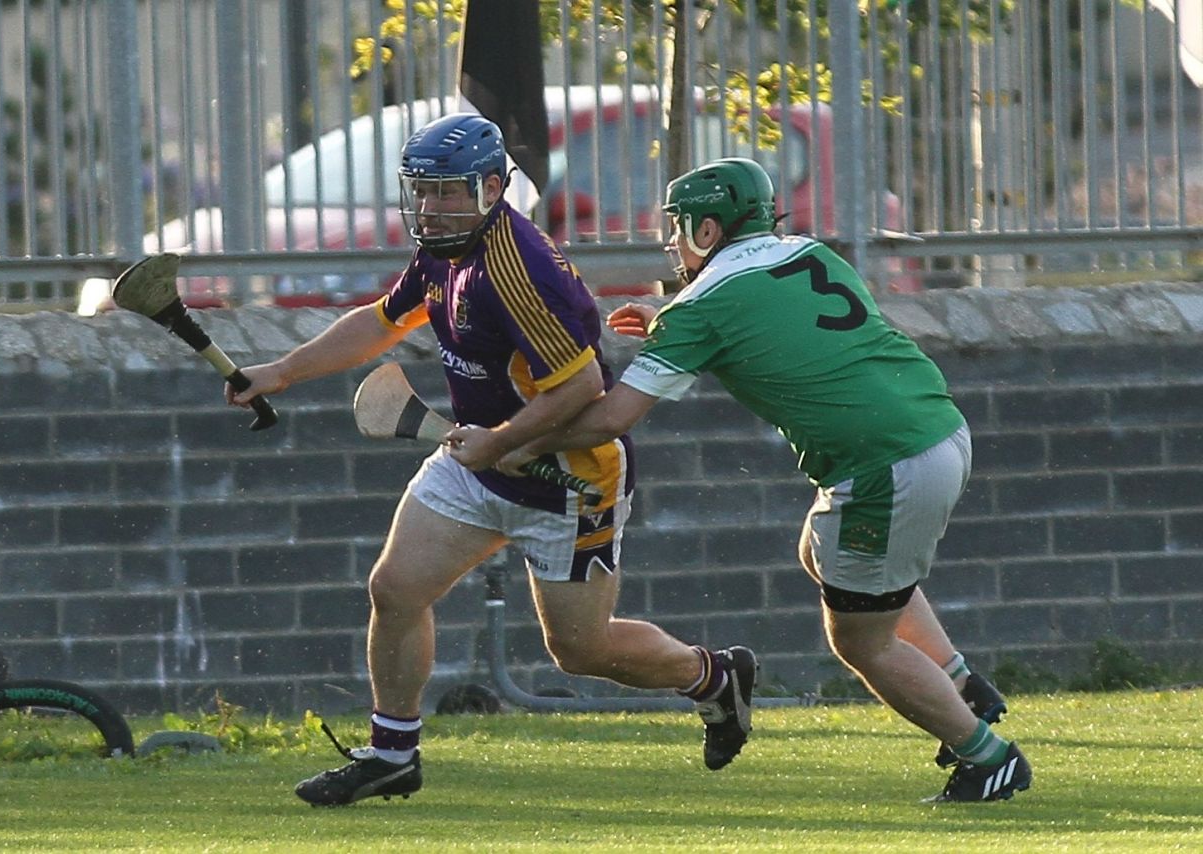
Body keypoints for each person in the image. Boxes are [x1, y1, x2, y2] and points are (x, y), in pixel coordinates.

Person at [448, 156, 1032, 803]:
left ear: (707, 228)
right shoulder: (809, 253)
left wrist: (505, 440)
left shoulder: (700, 309)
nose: (671, 241)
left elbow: (609, 418)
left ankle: (988, 758)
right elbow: (765, 310)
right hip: (939, 429)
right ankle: (957, 681)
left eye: (679, 227)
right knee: (822, 552)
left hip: (882, 466)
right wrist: (671, 312)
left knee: (861, 642)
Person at [227, 114, 757, 807]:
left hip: (567, 475)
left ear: (491, 187)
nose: (430, 207)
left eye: (448, 192)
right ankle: (392, 754)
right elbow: (385, 320)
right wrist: (282, 372)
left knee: (581, 651)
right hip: (478, 455)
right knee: (395, 588)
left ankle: (712, 677)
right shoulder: (445, 248)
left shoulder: (516, 268)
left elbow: (583, 388)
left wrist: (503, 442)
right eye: (421, 191)